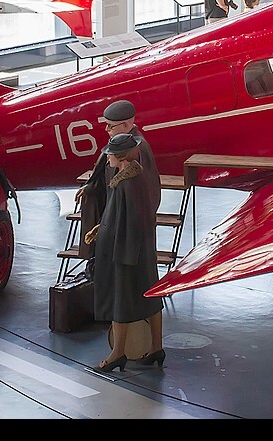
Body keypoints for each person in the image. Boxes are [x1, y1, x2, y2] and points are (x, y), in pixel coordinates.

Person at [85, 133, 165, 372]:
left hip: (124, 252)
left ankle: (117, 353)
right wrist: (103, 227)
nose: (107, 157)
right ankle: (156, 348)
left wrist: (125, 255)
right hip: (137, 250)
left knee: (120, 302)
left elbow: (133, 219)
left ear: (119, 156)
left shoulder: (126, 182)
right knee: (149, 296)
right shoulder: (133, 178)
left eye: (110, 153)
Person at [74, 100, 160, 263]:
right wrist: (91, 187)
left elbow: (144, 194)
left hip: (126, 226)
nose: (106, 129)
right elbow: (103, 171)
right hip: (113, 217)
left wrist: (112, 221)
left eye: (111, 126)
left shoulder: (138, 149)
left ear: (127, 125)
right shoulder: (121, 143)